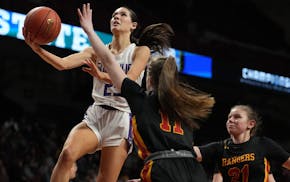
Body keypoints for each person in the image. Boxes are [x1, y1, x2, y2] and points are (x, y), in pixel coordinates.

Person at [22, 4, 173, 182]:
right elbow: (63, 64)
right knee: (67, 154)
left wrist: (100, 74)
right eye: (114, 14)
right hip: (97, 114)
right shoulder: (96, 51)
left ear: (133, 25)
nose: (116, 17)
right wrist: (37, 49)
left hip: (121, 119)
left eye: (122, 15)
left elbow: (129, 80)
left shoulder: (140, 51)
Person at [78, 3, 215, 181]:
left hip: (163, 169)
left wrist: (89, 31)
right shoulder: (182, 105)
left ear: (149, 77)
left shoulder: (141, 99)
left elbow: (110, 62)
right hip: (194, 171)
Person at [193, 104, 290, 182]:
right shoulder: (220, 148)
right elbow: (192, 152)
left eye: (237, 117)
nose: (230, 120)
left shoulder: (263, 144)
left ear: (250, 124)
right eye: (229, 117)